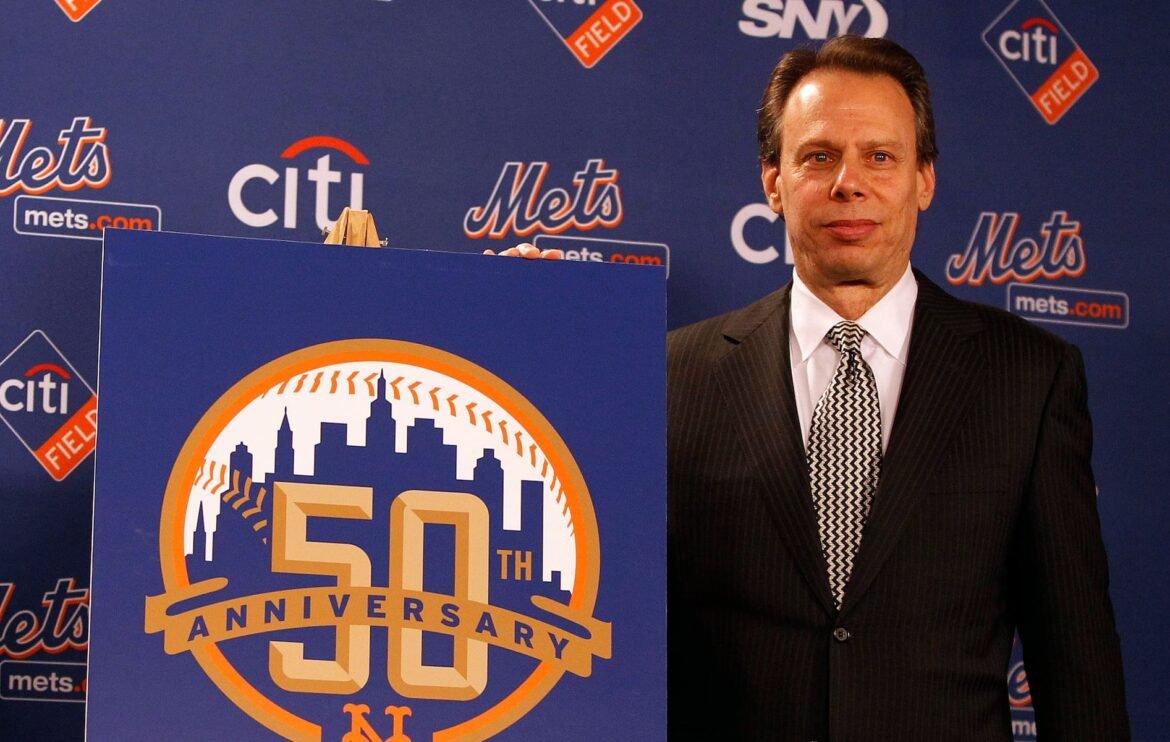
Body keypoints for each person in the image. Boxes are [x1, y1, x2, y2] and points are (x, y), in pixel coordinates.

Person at [498, 35, 1128, 741]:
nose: (847, 183)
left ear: (924, 178)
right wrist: (526, 335)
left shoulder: (1029, 377)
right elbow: (571, 573)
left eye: (880, 157)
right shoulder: (674, 374)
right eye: (818, 156)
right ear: (772, 179)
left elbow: (1077, 665)